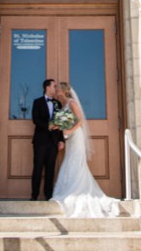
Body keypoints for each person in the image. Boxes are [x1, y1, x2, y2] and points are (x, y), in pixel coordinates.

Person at [50, 81, 121, 218]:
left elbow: (80, 121)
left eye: (57, 88)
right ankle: (68, 190)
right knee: (70, 161)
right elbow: (65, 120)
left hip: (76, 137)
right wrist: (58, 127)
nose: (56, 90)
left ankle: (76, 191)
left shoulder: (71, 103)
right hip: (69, 138)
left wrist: (69, 131)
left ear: (63, 91)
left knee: (75, 162)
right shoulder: (62, 105)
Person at [30, 78, 61, 200]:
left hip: (53, 142)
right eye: (54, 86)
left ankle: (48, 195)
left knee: (50, 169)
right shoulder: (37, 102)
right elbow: (35, 119)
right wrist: (48, 125)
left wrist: (61, 140)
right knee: (37, 168)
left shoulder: (57, 103)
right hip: (40, 141)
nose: (55, 88)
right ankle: (34, 195)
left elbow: (60, 123)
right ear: (47, 87)